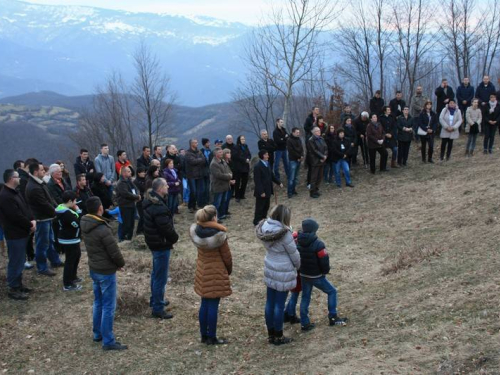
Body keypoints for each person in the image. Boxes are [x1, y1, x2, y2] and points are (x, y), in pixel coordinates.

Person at [81, 196, 127, 351]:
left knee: (98, 301)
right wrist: (120, 264)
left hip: (94, 268)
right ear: (99, 208)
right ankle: (108, 341)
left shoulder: (85, 223)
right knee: (108, 305)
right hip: (106, 271)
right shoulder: (102, 228)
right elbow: (113, 250)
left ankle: (97, 333)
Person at [255, 205, 300, 345]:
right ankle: (279, 335)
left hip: (270, 266)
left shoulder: (264, 228)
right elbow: (294, 254)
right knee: (279, 305)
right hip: (283, 270)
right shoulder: (284, 234)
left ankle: (271, 333)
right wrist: (298, 266)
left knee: (270, 302)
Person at [189, 205, 232, 345]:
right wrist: (228, 270)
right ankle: (212, 337)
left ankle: (203, 335)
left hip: (203, 270)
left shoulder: (196, 231)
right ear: (214, 217)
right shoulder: (219, 236)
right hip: (216, 271)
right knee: (213, 305)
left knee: (204, 303)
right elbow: (227, 257)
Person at [296, 218, 348, 331]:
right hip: (316, 276)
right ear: (314, 230)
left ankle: (304, 323)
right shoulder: (318, 244)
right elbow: (324, 260)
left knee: (305, 297)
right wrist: (324, 272)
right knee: (332, 291)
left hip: (304, 274)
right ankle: (333, 317)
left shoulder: (298, 241)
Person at [143, 178, 179, 319]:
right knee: (160, 277)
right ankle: (158, 308)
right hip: (160, 244)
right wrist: (174, 238)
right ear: (159, 189)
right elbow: (166, 228)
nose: (168, 187)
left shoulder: (151, 201)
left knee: (156, 274)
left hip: (154, 243)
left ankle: (155, 300)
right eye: (166, 185)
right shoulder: (158, 207)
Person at [0, 169, 35, 300]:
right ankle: (13, 288)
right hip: (14, 234)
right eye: (17, 176)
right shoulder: (5, 196)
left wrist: (32, 220)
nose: (19, 178)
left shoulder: (16, 192)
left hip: (22, 232)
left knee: (20, 260)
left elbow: (25, 208)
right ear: (11, 179)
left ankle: (19, 284)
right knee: (15, 261)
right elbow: (15, 216)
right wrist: (30, 225)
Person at [25, 162, 63, 276]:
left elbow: (49, 199)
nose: (44, 172)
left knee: (50, 241)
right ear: (36, 172)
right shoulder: (34, 187)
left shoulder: (39, 183)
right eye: (42, 170)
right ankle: (42, 267)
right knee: (42, 244)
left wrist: (58, 207)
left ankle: (55, 261)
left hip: (46, 218)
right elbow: (44, 204)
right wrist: (56, 212)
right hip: (41, 219)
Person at [55, 191, 83, 291]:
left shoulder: (64, 209)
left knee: (77, 256)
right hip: (69, 239)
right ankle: (67, 284)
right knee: (70, 261)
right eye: (75, 201)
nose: (76, 203)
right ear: (70, 201)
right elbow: (77, 224)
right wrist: (78, 211)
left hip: (72, 238)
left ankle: (73, 276)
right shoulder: (66, 213)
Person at [253, 150, 283, 226]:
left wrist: (279, 182)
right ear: (262, 156)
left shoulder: (267, 164)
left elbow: (272, 175)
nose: (268, 156)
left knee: (266, 206)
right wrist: (261, 191)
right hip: (262, 191)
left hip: (268, 190)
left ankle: (263, 219)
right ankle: (257, 221)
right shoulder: (257, 167)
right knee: (260, 207)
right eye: (266, 155)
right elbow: (257, 181)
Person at [115, 167, 141, 241]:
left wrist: (138, 195)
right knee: (126, 224)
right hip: (125, 206)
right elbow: (125, 193)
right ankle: (123, 239)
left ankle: (129, 239)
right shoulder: (121, 183)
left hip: (131, 204)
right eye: (129, 171)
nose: (130, 173)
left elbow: (136, 189)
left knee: (131, 224)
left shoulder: (129, 181)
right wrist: (136, 197)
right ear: (124, 173)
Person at [210, 148, 234, 220]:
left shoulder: (223, 161)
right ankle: (215, 218)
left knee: (223, 201)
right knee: (217, 203)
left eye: (222, 152)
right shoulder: (214, 164)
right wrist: (229, 176)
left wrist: (230, 175)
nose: (222, 153)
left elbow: (228, 170)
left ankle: (222, 215)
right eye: (220, 152)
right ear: (216, 154)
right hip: (218, 186)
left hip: (225, 185)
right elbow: (218, 175)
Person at [185, 139, 207, 213]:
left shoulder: (199, 151)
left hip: (199, 174)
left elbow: (204, 160)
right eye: (195, 142)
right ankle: (190, 206)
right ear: (191, 144)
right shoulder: (188, 153)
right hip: (191, 175)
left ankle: (194, 205)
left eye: (197, 142)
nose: (197, 144)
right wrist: (199, 160)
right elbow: (192, 161)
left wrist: (198, 160)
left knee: (199, 191)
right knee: (193, 191)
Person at [307, 127, 328, 198]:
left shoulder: (321, 138)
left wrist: (325, 156)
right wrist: (322, 157)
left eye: (319, 130)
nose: (319, 132)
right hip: (315, 161)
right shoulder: (311, 140)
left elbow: (325, 148)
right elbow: (314, 150)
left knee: (320, 176)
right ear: (313, 132)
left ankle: (316, 190)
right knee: (314, 177)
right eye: (317, 131)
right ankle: (312, 192)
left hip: (322, 160)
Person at [232, 136, 251, 202]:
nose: (243, 140)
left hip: (245, 167)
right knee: (237, 182)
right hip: (238, 167)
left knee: (244, 182)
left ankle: (242, 194)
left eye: (244, 139)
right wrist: (244, 160)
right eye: (242, 139)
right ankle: (237, 196)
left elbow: (249, 154)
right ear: (239, 140)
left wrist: (248, 158)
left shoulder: (245, 146)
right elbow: (236, 156)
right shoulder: (235, 147)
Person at [286, 127, 304, 198]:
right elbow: (291, 151)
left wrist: (302, 155)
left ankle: (293, 190)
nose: (298, 134)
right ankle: (289, 192)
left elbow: (301, 148)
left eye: (299, 132)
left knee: (296, 177)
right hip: (293, 160)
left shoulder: (299, 139)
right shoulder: (289, 140)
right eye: (297, 132)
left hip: (299, 160)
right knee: (291, 177)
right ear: (293, 132)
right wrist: (298, 157)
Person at [134, 167, 147, 235]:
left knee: (145, 216)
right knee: (142, 216)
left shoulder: (145, 179)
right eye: (142, 172)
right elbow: (137, 191)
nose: (144, 173)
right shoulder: (136, 181)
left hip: (146, 200)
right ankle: (139, 231)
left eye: (144, 172)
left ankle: (144, 229)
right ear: (138, 173)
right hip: (140, 201)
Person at [200, 138, 212, 207]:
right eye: (207, 143)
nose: (209, 144)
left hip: (208, 171)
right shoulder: (201, 151)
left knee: (208, 188)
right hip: (203, 171)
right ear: (204, 143)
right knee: (203, 188)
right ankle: (202, 201)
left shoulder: (210, 150)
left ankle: (207, 200)